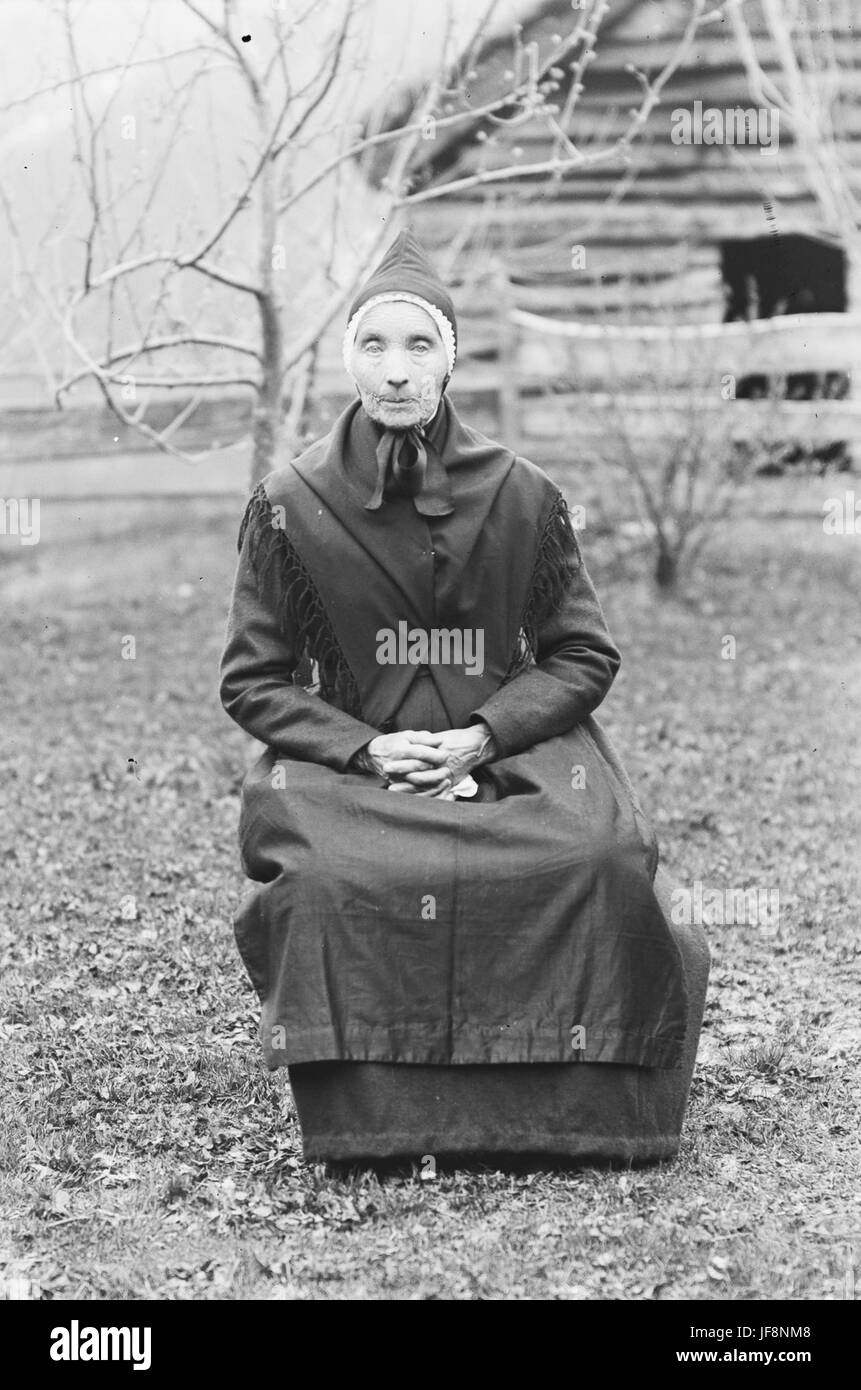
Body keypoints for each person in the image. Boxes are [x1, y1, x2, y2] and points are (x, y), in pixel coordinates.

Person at [220, 230, 709, 1165]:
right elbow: (251, 679)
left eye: (418, 346)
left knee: (599, 855)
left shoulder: (525, 495)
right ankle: (373, 1124)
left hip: (508, 749)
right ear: (348, 358)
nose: (396, 372)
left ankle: (590, 1117)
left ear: (452, 356)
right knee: (330, 880)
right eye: (374, 346)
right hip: (351, 760)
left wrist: (484, 736)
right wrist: (367, 750)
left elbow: (580, 654)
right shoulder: (287, 502)